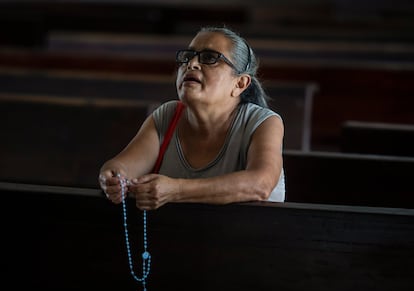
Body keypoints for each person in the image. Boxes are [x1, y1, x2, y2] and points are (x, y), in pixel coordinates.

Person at [99, 26, 285, 210]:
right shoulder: (167, 115)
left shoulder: (264, 122)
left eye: (210, 58)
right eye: (188, 57)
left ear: (240, 83)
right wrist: (112, 178)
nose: (192, 64)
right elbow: (122, 167)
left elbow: (260, 185)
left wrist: (176, 190)